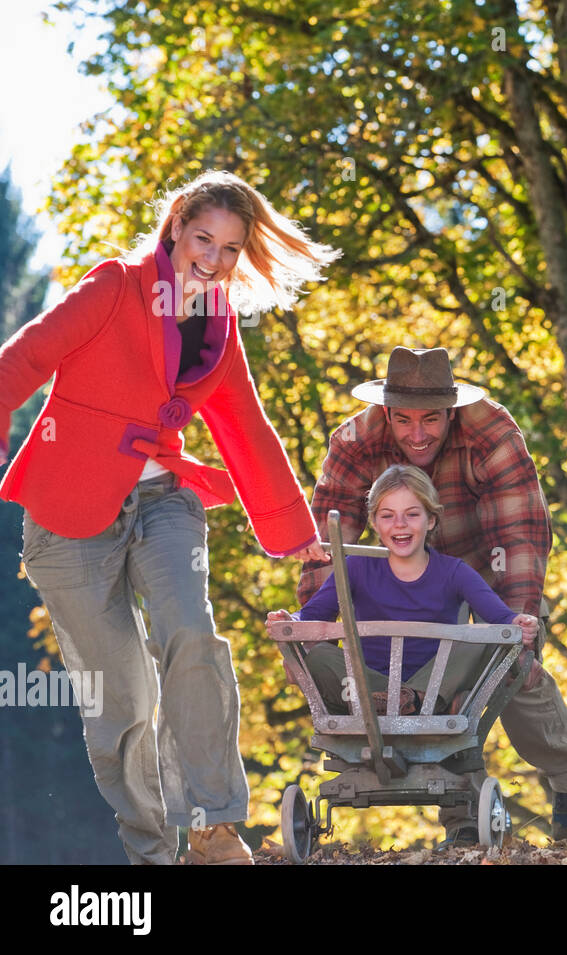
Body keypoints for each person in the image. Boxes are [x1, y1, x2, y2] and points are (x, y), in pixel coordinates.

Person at [0, 170, 337, 865]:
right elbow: (24, 358)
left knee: (191, 632)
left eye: (232, 248)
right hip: (68, 515)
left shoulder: (218, 324)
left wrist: (297, 532)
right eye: (204, 238)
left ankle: (214, 826)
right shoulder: (114, 286)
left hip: (163, 502)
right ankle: (153, 854)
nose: (212, 259)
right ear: (176, 224)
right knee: (122, 696)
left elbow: (246, 426)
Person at [298, 346, 567, 842]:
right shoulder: (353, 442)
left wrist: (517, 628)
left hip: (482, 563)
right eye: (404, 421)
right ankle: (463, 817)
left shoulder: (491, 434)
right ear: (386, 412)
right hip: (399, 570)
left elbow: (519, 536)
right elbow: (327, 548)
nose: (418, 435)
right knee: (429, 683)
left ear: (451, 411)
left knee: (508, 669)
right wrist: (313, 639)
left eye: (432, 420)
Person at [268, 464, 539, 717]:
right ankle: (390, 700)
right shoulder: (356, 568)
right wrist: (289, 621)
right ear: (374, 522)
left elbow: (500, 617)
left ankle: (415, 698)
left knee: (484, 637)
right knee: (318, 656)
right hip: (366, 684)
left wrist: (518, 623)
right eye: (388, 516)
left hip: (434, 683)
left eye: (412, 514)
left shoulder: (454, 571)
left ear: (431, 520)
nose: (400, 524)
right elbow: (312, 614)